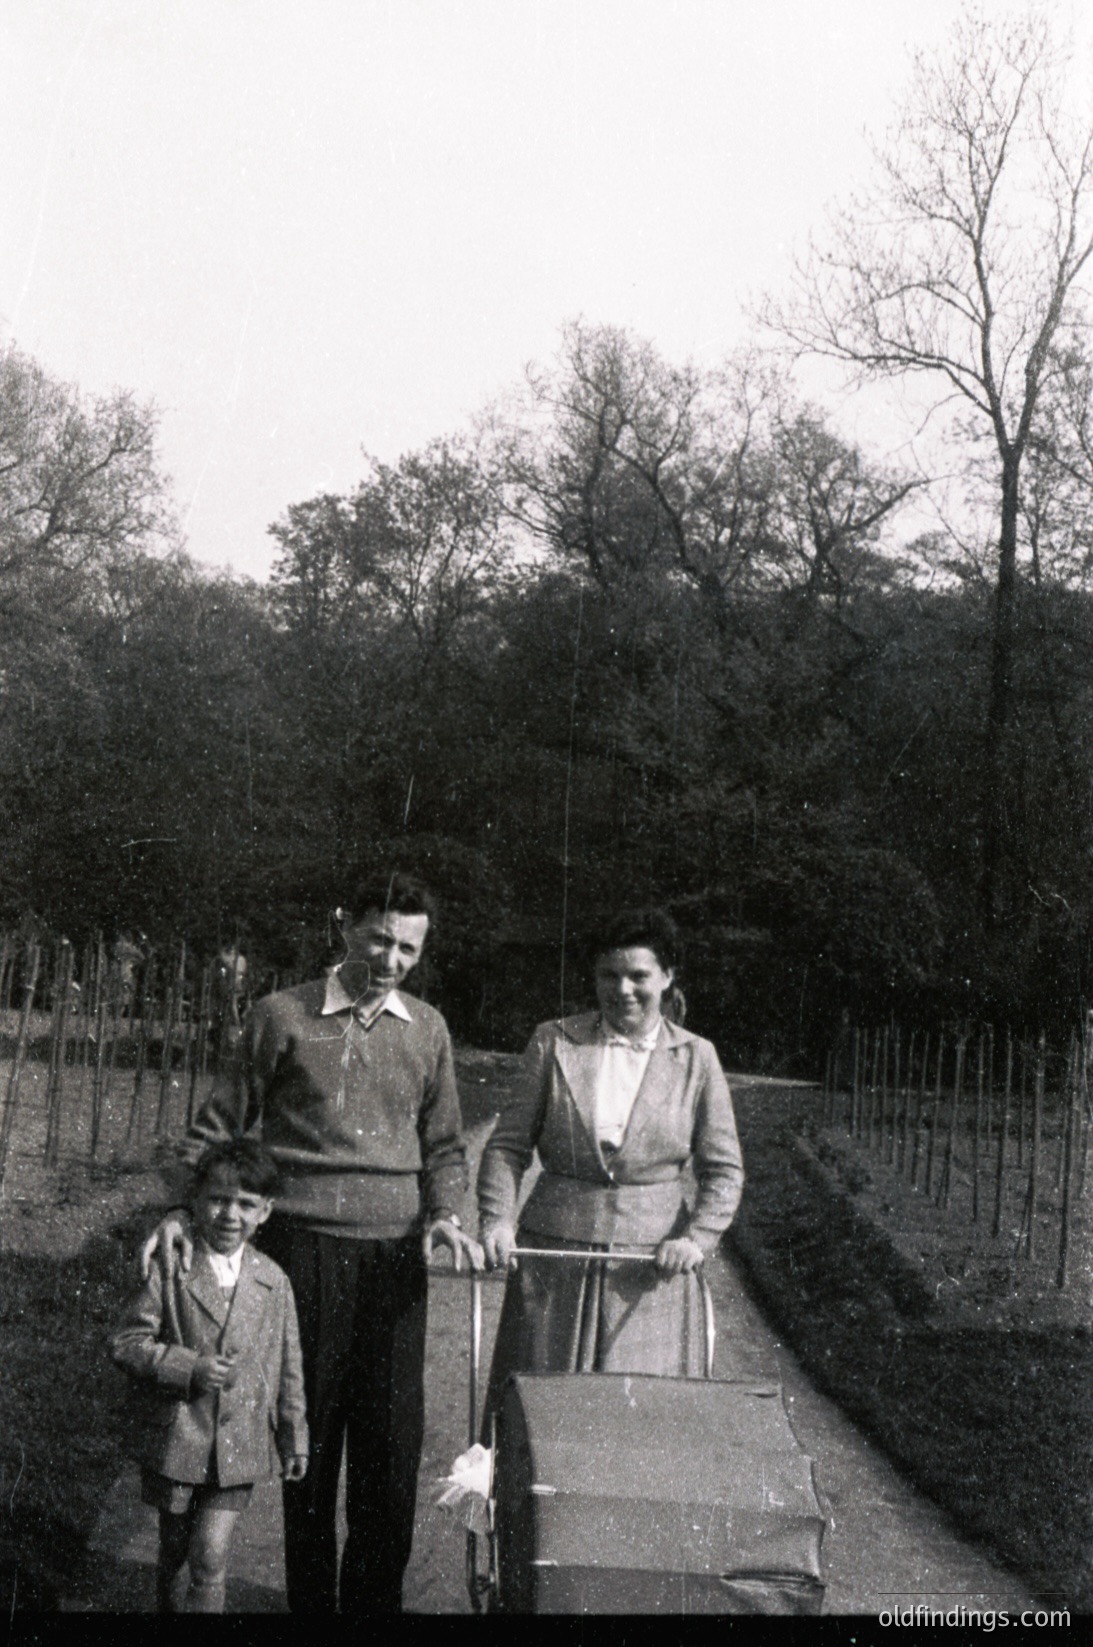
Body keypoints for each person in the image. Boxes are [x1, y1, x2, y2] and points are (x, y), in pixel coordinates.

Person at [141, 873, 483, 1614]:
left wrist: (445, 1214)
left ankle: (371, 1607)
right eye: (379, 938)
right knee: (308, 1437)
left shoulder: (427, 1028)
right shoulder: (280, 1015)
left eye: (408, 948)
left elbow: (446, 1144)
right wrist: (179, 1207)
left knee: (390, 1447)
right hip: (301, 1254)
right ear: (346, 927)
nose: (391, 959)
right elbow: (220, 1125)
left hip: (394, 1259)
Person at [477, 907, 744, 1410]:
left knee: (635, 1416)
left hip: (649, 1269)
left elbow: (723, 1168)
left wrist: (697, 1238)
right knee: (543, 1411)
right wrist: (496, 1220)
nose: (623, 989)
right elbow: (507, 1145)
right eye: (609, 975)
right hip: (555, 1258)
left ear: (667, 977)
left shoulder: (697, 1057)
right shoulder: (554, 1041)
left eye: (638, 976)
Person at [112, 1138, 308, 1613]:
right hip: (178, 1437)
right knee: (176, 1553)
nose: (230, 1215)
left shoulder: (273, 1280)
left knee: (211, 1554)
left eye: (246, 1204)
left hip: (239, 1443)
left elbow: (289, 1366)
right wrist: (188, 1367)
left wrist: (294, 1436)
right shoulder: (173, 1267)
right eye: (218, 1200)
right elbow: (127, 1343)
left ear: (265, 1211)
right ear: (195, 1199)